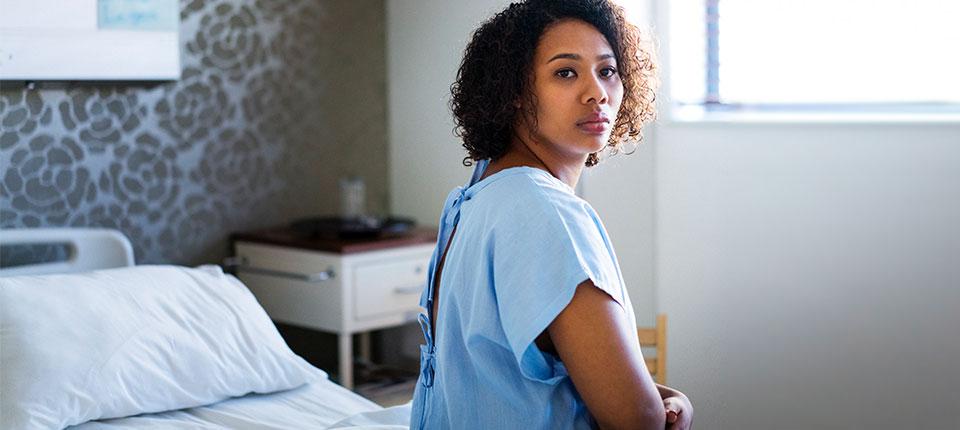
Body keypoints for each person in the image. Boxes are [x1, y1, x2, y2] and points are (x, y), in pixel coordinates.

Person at [410, 1, 692, 428]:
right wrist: (666, 407)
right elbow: (638, 421)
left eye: (607, 70)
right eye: (565, 72)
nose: (597, 91)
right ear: (515, 92)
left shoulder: (474, 198)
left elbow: (504, 375)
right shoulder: (547, 213)